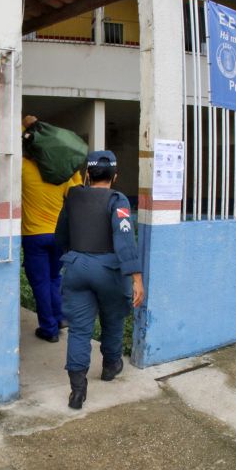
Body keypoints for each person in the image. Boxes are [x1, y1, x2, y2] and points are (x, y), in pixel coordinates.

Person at [55, 150, 144, 409]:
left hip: (76, 267)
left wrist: (75, 260)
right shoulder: (118, 200)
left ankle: (77, 392)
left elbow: (60, 236)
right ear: (114, 176)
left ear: (87, 174)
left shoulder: (72, 197)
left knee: (80, 329)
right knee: (113, 318)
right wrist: (136, 278)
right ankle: (110, 366)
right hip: (109, 269)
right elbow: (125, 239)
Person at [21, 115, 82, 343]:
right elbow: (76, 191)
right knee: (54, 278)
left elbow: (14, 138)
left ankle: (49, 329)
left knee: (40, 283)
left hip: (34, 236)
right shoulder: (63, 172)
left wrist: (27, 124)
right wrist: (71, 166)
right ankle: (58, 318)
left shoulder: (24, 168)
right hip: (58, 235)